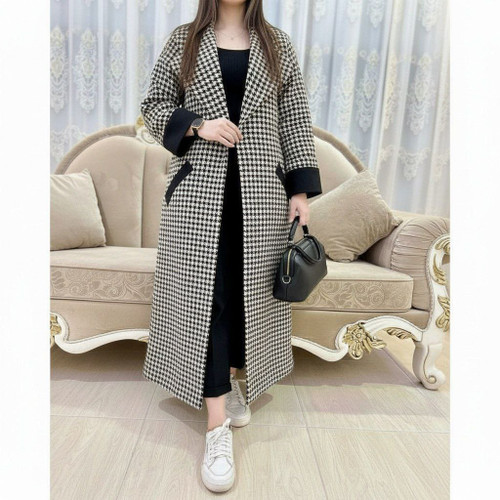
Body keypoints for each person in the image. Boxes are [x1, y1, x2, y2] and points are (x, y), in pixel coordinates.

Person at [140, 0, 322, 492]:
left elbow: (295, 119)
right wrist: (198, 124)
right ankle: (216, 426)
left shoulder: (277, 44)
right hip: (198, 196)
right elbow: (153, 107)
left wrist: (300, 192)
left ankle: (229, 382)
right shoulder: (184, 39)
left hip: (260, 197)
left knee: (247, 301)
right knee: (208, 302)